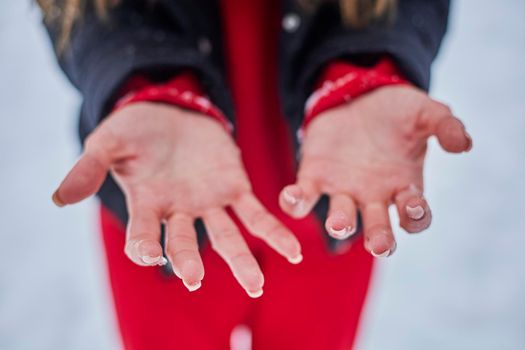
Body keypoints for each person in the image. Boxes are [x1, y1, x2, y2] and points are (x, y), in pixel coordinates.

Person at [38, 0, 472, 348]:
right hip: (163, 206)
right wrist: (143, 84)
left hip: (336, 196)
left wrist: (366, 68)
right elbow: (79, 11)